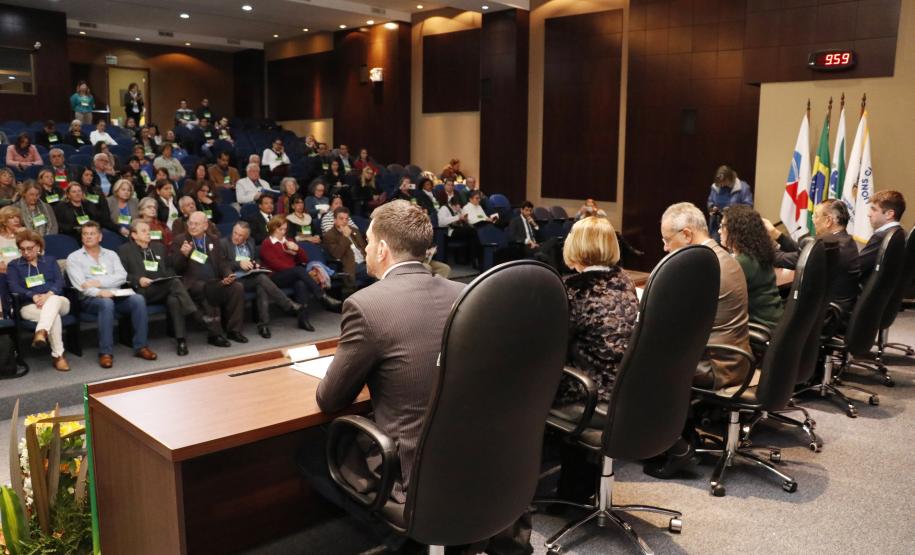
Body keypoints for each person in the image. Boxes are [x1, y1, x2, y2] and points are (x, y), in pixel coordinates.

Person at [302, 200, 468, 553]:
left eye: (367, 241)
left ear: (381, 248)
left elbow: (330, 399)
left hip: (408, 472)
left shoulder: (367, 304)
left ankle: (397, 540)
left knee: (311, 447)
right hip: (466, 458)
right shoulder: (464, 294)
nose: (364, 248)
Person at [645, 202, 750, 479]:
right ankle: (683, 436)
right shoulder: (724, 257)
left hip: (717, 364)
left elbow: (670, 325)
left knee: (643, 365)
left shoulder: (702, 268)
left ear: (687, 235)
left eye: (668, 240)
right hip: (737, 357)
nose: (666, 248)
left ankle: (675, 445)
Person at [551, 216, 639, 503]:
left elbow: (553, 346)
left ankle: (557, 492)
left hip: (593, 395)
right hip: (627, 390)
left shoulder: (574, 290)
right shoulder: (624, 281)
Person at [66, 221, 157, 368]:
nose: (88, 237)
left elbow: (121, 276)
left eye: (92, 233)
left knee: (138, 299)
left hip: (115, 294)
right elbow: (81, 286)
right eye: (85, 234)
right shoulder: (74, 258)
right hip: (90, 300)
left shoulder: (111, 254)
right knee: (106, 303)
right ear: (81, 238)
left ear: (100, 237)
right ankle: (105, 352)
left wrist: (97, 282)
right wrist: (100, 292)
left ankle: (141, 346)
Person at [119, 220, 201, 356]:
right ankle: (194, 312)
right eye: (144, 231)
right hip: (142, 291)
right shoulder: (125, 250)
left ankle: (181, 341)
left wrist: (182, 254)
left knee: (174, 299)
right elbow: (122, 274)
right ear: (133, 235)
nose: (148, 233)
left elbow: (170, 267)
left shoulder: (158, 247)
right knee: (174, 283)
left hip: (162, 287)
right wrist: (138, 280)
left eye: (148, 230)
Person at [766, 200, 861, 315]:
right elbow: (803, 251)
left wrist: (757, 245)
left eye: (815, 216)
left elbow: (785, 259)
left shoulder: (829, 248)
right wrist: (776, 234)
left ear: (828, 220)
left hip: (827, 316)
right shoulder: (846, 241)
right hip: (836, 309)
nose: (812, 220)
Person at [220, 221, 308, 338]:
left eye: (240, 235)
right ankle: (288, 305)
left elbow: (256, 257)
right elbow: (221, 264)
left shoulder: (250, 242)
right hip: (235, 279)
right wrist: (238, 263)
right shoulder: (223, 243)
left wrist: (256, 264)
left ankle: (264, 325)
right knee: (262, 279)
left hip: (250, 276)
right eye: (235, 233)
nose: (236, 236)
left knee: (262, 284)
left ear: (246, 237)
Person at [170, 211, 246, 347]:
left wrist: (228, 274)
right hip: (193, 283)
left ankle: (233, 330)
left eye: (196, 224)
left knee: (237, 287)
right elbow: (176, 268)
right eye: (190, 223)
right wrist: (183, 255)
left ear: (205, 226)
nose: (192, 227)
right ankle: (214, 335)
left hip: (216, 280)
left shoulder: (214, 239)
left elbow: (222, 263)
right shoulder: (180, 240)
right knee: (210, 288)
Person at [7, 230, 71, 371]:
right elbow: (14, 286)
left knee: (53, 301)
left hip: (59, 301)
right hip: (30, 306)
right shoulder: (14, 265)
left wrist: (48, 295)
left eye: (29, 248)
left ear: (38, 246)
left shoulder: (49, 260)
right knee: (54, 316)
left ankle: (41, 331)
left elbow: (59, 282)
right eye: (22, 249)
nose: (26, 252)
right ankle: (58, 355)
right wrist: (32, 295)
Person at [718, 206, 783, 329]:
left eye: (722, 226)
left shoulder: (741, 263)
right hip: (776, 325)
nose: (719, 231)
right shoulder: (759, 254)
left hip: (761, 331)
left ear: (736, 230)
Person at [260, 215, 341, 311]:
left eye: (285, 229)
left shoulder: (289, 240)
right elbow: (276, 265)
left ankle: (303, 318)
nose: (283, 232)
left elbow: (304, 260)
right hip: (275, 277)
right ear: (273, 228)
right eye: (280, 229)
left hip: (292, 274)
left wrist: (297, 249)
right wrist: (294, 269)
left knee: (300, 283)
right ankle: (322, 295)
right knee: (298, 270)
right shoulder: (267, 244)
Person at [858, 190, 906, 286]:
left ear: (889, 214)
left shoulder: (881, 237)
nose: (869, 214)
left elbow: (857, 266)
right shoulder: (902, 234)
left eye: (874, 209)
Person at [323, 207, 370, 290]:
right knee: (375, 273)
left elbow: (364, 247)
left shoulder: (354, 230)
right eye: (341, 218)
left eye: (346, 219)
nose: (344, 221)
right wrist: (345, 236)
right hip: (351, 265)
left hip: (365, 261)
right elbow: (337, 254)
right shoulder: (329, 235)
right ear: (334, 220)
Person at [707, 165, 753, 240]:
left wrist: (732, 210)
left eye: (724, 182)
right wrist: (712, 208)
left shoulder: (743, 187)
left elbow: (748, 207)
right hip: (717, 225)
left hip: (735, 226)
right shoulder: (715, 187)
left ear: (730, 178)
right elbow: (710, 201)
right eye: (720, 183)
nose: (722, 185)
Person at [509, 200, 561, 268]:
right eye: (526, 210)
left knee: (554, 240)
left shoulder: (532, 220)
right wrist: (528, 241)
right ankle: (556, 273)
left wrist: (535, 225)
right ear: (521, 210)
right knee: (551, 250)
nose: (528, 213)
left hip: (537, 245)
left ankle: (541, 253)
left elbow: (541, 237)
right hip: (526, 247)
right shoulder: (515, 221)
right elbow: (513, 237)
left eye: (530, 211)